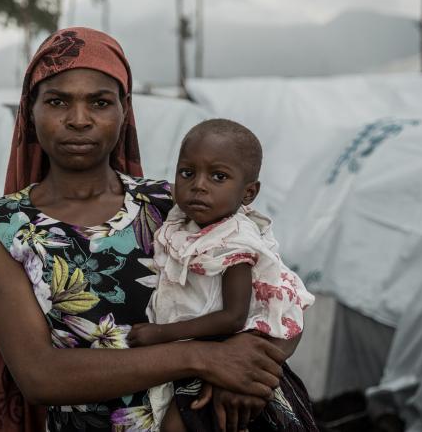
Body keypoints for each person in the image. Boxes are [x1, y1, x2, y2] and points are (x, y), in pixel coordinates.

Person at [0, 27, 314, 432]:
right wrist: (204, 359)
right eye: (58, 101)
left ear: (124, 109)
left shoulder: (174, 203)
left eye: (99, 102)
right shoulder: (3, 226)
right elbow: (40, 375)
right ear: (31, 109)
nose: (78, 120)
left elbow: (281, 300)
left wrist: (246, 366)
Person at [127, 119, 316, 432]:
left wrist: (161, 334)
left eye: (218, 176)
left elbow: (232, 317)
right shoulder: (186, 223)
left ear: (249, 193)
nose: (199, 185)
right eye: (187, 173)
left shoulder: (234, 242)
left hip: (229, 353)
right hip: (199, 354)